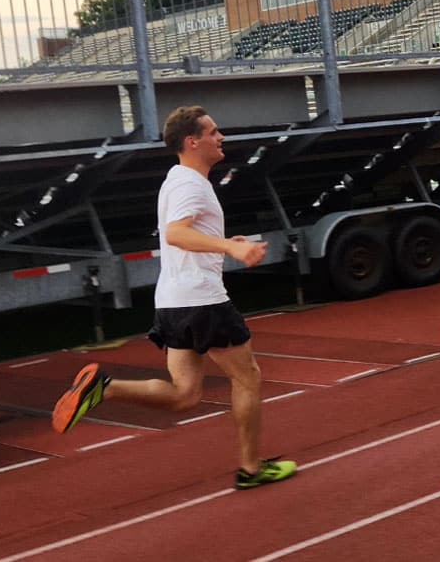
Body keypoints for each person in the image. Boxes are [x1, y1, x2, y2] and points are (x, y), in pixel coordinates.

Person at [52, 106, 297, 490]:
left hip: (173, 301)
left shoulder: (178, 180)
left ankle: (106, 387)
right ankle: (250, 469)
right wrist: (231, 250)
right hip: (202, 301)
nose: (221, 138)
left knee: (184, 395)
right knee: (247, 378)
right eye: (214, 132)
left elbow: (185, 236)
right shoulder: (190, 185)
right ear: (192, 141)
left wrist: (220, 246)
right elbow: (176, 235)